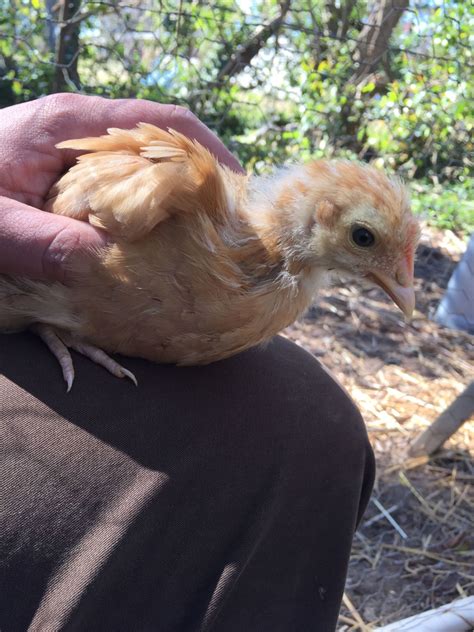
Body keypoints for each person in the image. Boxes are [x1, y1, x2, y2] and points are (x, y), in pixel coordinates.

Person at [0, 94, 375, 632]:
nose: (402, 288)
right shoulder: (173, 188)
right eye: (364, 240)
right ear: (323, 216)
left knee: (317, 413)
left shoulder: (273, 302)